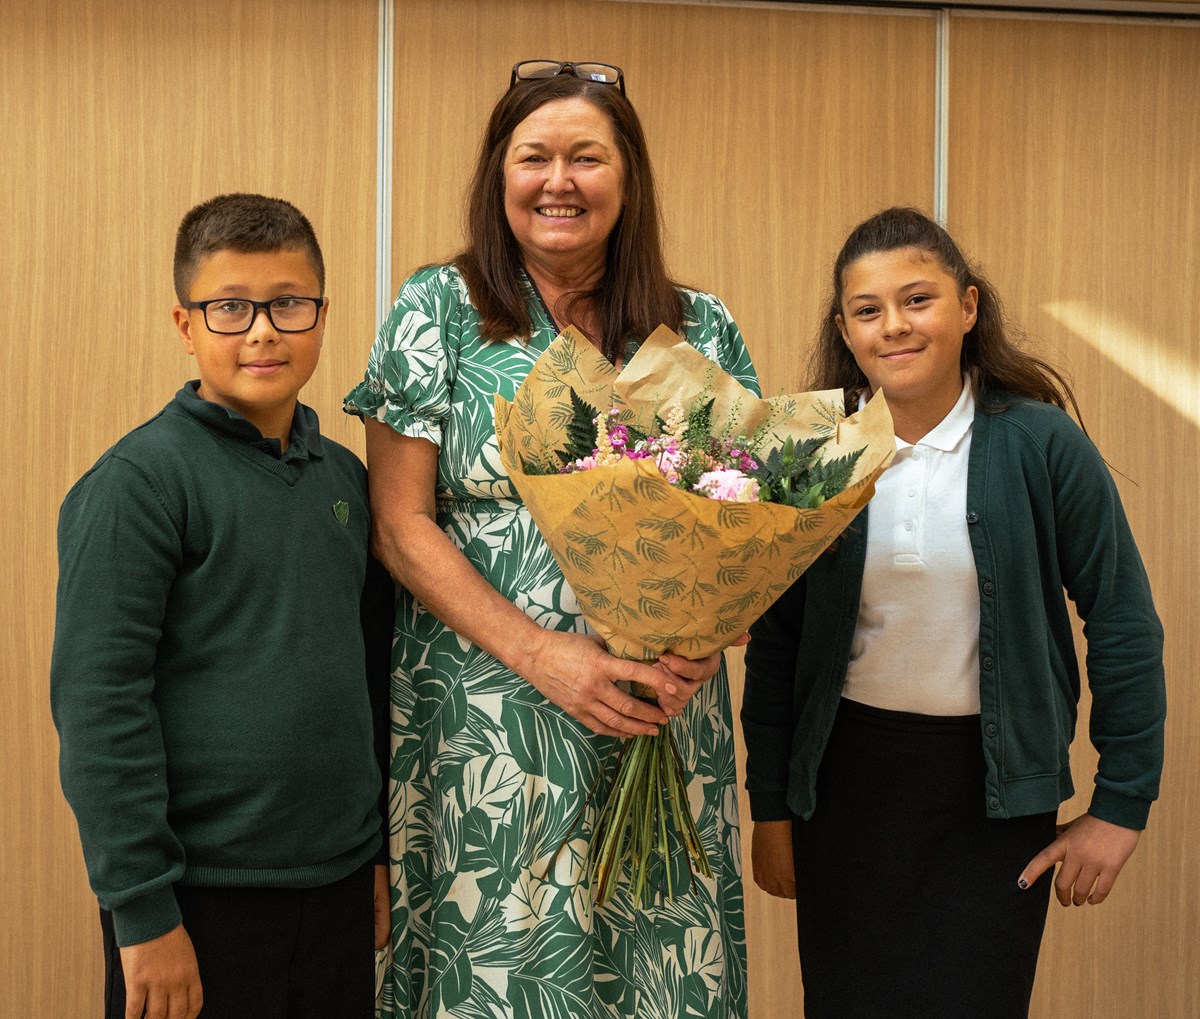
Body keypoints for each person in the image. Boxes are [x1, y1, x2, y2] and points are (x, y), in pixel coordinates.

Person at [346, 60, 754, 1018]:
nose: (558, 180)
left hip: (660, 716)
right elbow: (399, 525)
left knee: (655, 965)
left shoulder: (700, 326)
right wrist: (543, 654)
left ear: (629, 178)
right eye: (535, 157)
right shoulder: (435, 310)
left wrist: (703, 639)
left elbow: (745, 521)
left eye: (587, 157)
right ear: (501, 175)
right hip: (484, 721)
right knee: (497, 969)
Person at [741, 206, 1166, 1019]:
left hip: (995, 801)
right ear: (845, 327)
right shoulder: (815, 452)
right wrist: (769, 805)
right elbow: (777, 647)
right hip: (844, 794)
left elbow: (1122, 623)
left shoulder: (1041, 445)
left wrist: (1121, 806)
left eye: (917, 300)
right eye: (867, 310)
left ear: (968, 307)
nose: (892, 326)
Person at [50, 193, 393, 1019]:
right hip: (196, 901)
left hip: (339, 886)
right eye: (230, 307)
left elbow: (371, 677)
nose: (263, 330)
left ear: (321, 312)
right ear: (185, 323)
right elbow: (100, 705)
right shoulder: (138, 484)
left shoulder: (346, 479)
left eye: (288, 303)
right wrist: (143, 912)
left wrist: (375, 851)